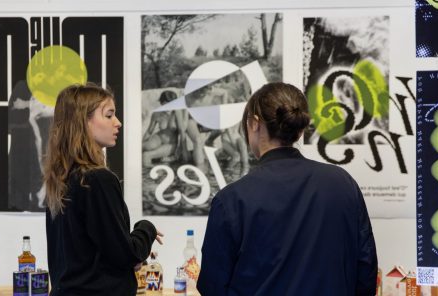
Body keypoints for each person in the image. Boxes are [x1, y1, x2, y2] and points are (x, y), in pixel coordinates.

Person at [197, 82, 377, 295]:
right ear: (300, 131)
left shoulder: (232, 200)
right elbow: (365, 271)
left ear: (254, 124)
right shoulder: (343, 183)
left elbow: (212, 287)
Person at [44, 82, 163, 295]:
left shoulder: (62, 180)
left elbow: (89, 253)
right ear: (83, 121)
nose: (118, 123)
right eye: (109, 115)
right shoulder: (97, 179)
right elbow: (125, 255)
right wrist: (147, 228)